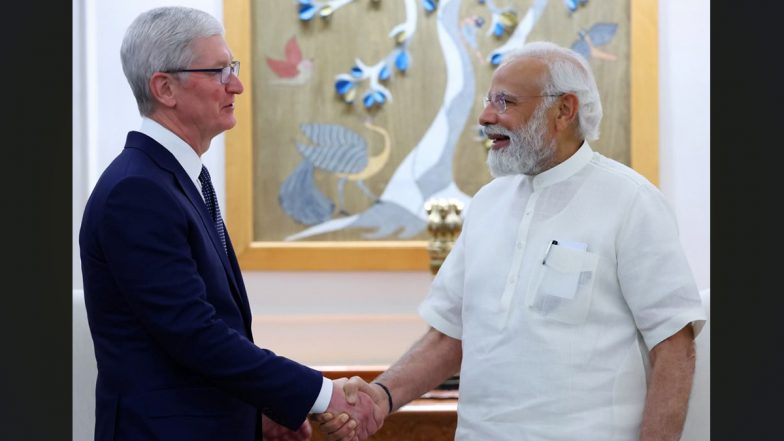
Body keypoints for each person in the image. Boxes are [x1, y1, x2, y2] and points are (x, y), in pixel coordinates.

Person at [315, 41, 707, 441]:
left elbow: (674, 348)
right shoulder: (487, 203)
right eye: (489, 101)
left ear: (564, 110)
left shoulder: (631, 201)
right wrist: (381, 397)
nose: (486, 117)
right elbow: (449, 335)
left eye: (505, 102)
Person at [79, 6, 383, 441]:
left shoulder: (177, 180)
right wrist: (320, 394)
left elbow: (209, 334)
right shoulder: (137, 192)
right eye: (219, 71)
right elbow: (194, 334)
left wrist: (259, 409)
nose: (237, 85)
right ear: (165, 87)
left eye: (233, 68)